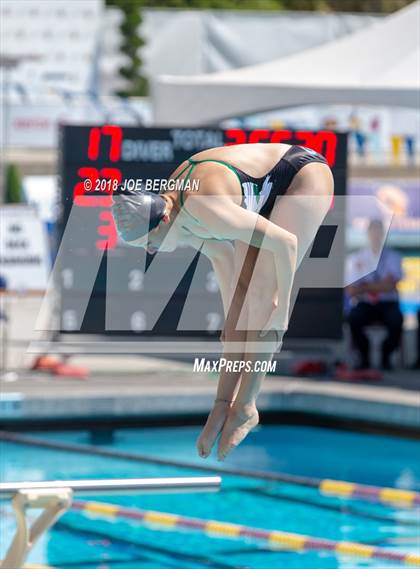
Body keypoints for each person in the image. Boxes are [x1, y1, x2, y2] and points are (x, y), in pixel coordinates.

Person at [112, 143, 334, 460]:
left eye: (148, 243)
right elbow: (220, 254)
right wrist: (232, 321)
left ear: (160, 223)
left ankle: (245, 406)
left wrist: (281, 307)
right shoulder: (171, 209)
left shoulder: (205, 208)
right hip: (262, 189)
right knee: (240, 312)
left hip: (303, 176)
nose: (150, 251)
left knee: (262, 298)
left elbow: (286, 243)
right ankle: (221, 406)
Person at [346, 219, 403, 371]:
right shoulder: (356, 258)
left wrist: (364, 286)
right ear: (368, 234)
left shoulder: (393, 257)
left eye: (379, 232)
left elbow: (391, 285)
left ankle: (386, 356)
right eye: (373, 231)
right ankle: (364, 357)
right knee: (354, 318)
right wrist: (380, 286)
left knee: (396, 320)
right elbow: (351, 289)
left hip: (387, 304)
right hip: (365, 304)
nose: (376, 235)